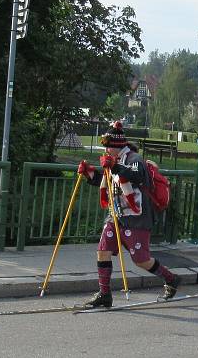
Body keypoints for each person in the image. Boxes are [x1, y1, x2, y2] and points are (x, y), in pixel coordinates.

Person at [77, 121, 180, 308]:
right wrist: (90, 174)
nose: (106, 151)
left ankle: (171, 279)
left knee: (141, 260)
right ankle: (104, 294)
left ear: (117, 146)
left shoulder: (134, 159)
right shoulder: (115, 160)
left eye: (108, 148)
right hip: (116, 214)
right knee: (103, 251)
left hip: (136, 218)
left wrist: (114, 167)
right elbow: (109, 181)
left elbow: (136, 176)